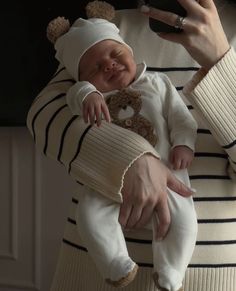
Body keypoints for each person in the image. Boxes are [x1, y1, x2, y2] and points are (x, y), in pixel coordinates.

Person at [26, 0, 236, 290]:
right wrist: (131, 157)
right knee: (92, 214)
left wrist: (220, 60)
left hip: (212, 277)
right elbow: (45, 115)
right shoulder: (109, 28)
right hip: (96, 276)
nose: (109, 64)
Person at [47, 15, 198, 290]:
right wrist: (87, 93)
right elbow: (70, 98)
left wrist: (183, 144)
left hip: (167, 172)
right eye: (95, 68)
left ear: (129, 50)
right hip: (107, 175)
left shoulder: (157, 83)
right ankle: (117, 265)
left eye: (115, 54)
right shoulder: (93, 96)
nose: (109, 65)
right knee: (89, 216)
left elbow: (181, 119)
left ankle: (171, 270)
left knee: (185, 220)